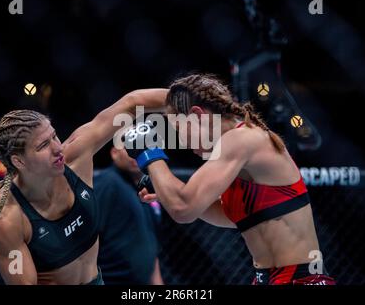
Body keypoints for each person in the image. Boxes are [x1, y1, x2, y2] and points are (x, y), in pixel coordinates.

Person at [124, 74, 336, 285]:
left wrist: (148, 151)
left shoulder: (241, 139)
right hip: (267, 279)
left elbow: (183, 208)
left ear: (198, 115)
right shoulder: (239, 148)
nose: (182, 141)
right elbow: (227, 214)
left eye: (180, 130)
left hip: (301, 280)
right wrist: (166, 192)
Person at [0, 87, 168, 285]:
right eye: (43, 146)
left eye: (54, 136)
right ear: (19, 161)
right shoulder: (8, 218)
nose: (57, 148)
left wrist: (193, 96)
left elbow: (131, 103)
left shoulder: (75, 157)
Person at [94, 146, 163, 285]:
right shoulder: (107, 183)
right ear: (114, 153)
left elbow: (151, 245)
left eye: (141, 148)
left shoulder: (145, 191)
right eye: (129, 148)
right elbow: (87, 234)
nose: (136, 153)